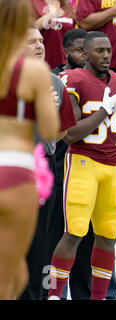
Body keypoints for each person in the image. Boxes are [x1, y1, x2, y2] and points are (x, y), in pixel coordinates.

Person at [47, 31, 116, 300]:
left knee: (107, 237)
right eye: (99, 51)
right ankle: (55, 295)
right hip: (83, 163)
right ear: (85, 54)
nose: (105, 56)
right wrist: (103, 110)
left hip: (113, 169)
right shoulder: (74, 80)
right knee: (74, 233)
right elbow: (70, 134)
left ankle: (99, 297)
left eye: (108, 51)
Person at [0, 0, 60, 300]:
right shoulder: (35, 74)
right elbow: (51, 132)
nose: (39, 46)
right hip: (17, 170)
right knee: (20, 265)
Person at [18, 24, 77, 300]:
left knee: (41, 242)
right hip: (11, 169)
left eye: (41, 40)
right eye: (31, 42)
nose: (39, 46)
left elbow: (63, 129)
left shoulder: (55, 82)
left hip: (43, 169)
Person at [31, 0, 76, 69]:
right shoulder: (33, 2)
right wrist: (50, 15)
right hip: (46, 61)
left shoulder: (65, 4)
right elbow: (30, 30)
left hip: (66, 63)